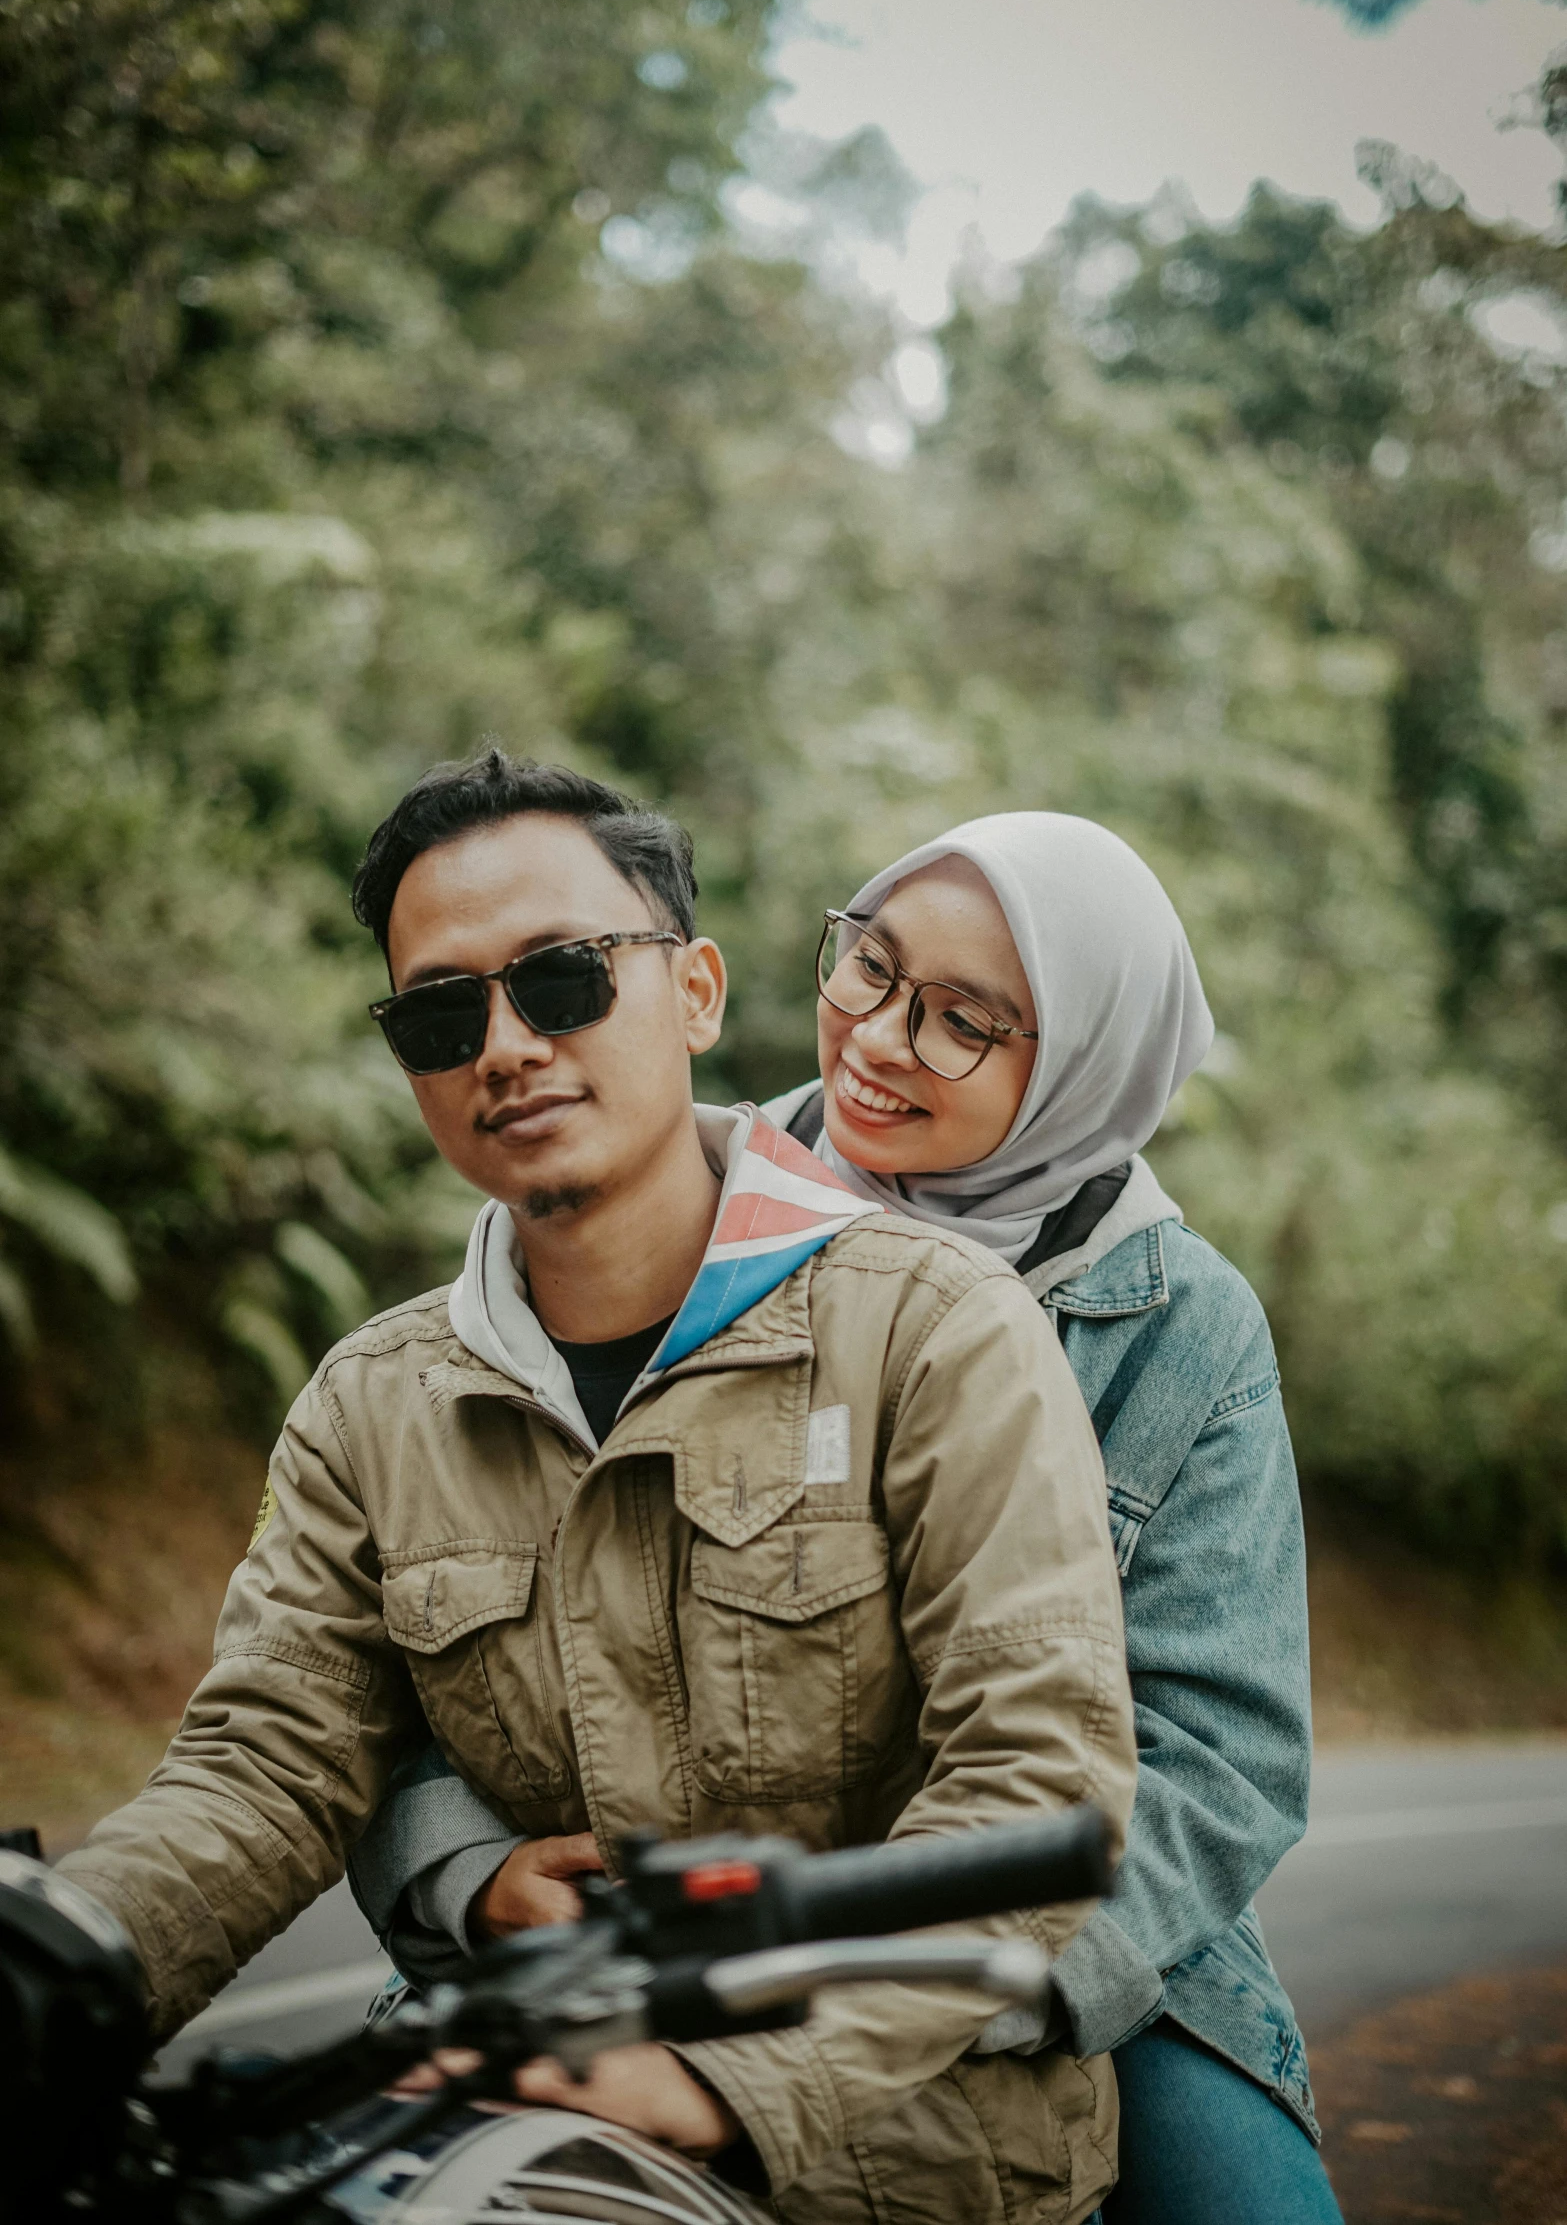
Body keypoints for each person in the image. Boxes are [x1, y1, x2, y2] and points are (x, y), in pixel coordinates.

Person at [54, 755, 1137, 2225]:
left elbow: (1038, 1771)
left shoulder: (933, 1329)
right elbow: (263, 1765)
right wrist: (59, 1954)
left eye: (560, 980)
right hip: (496, 2108)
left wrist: (721, 2082)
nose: (502, 1045)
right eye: (442, 1012)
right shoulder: (371, 1404)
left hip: (899, 2156)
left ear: (693, 992)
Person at [360, 807, 1343, 2225]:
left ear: (1083, 1056)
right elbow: (415, 1630)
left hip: (1060, 1946)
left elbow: (1216, 1754)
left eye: (963, 1021)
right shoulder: (676, 1201)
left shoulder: (1180, 1328)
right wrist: (475, 1871)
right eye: (868, 968)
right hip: (662, 1913)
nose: (880, 1038)